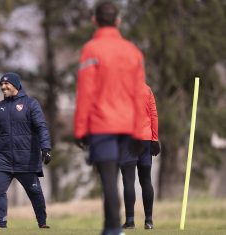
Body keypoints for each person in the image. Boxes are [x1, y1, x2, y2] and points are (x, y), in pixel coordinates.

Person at [74, 1, 146, 235]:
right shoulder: (134, 52)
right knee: (121, 181)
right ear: (118, 21)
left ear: (95, 20)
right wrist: (139, 130)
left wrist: (80, 129)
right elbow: (139, 95)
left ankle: (115, 229)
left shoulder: (91, 50)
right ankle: (110, 229)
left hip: (102, 125)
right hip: (128, 126)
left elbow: (85, 93)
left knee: (109, 181)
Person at [0, 72, 52, 229]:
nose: (3, 87)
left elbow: (41, 127)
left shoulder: (31, 104)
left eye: (6, 84)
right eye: (1, 84)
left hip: (26, 159)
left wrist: (46, 148)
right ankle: (1, 224)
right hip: (4, 160)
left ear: (15, 84)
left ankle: (42, 223)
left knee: (35, 193)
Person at [119, 83, 160, 230]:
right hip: (146, 139)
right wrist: (155, 139)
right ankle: (149, 221)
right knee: (146, 180)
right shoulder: (147, 88)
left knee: (129, 180)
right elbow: (153, 114)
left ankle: (130, 221)